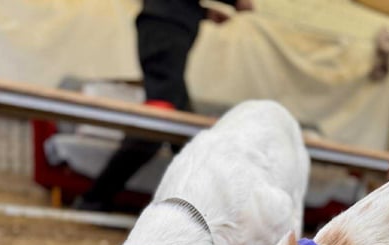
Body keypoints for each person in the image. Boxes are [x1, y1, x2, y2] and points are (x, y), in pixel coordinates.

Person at [73, 0, 254, 211]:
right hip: (165, 28)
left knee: (184, 126)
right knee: (160, 120)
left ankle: (200, 206)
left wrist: (203, 12)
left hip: (166, 24)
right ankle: (94, 199)